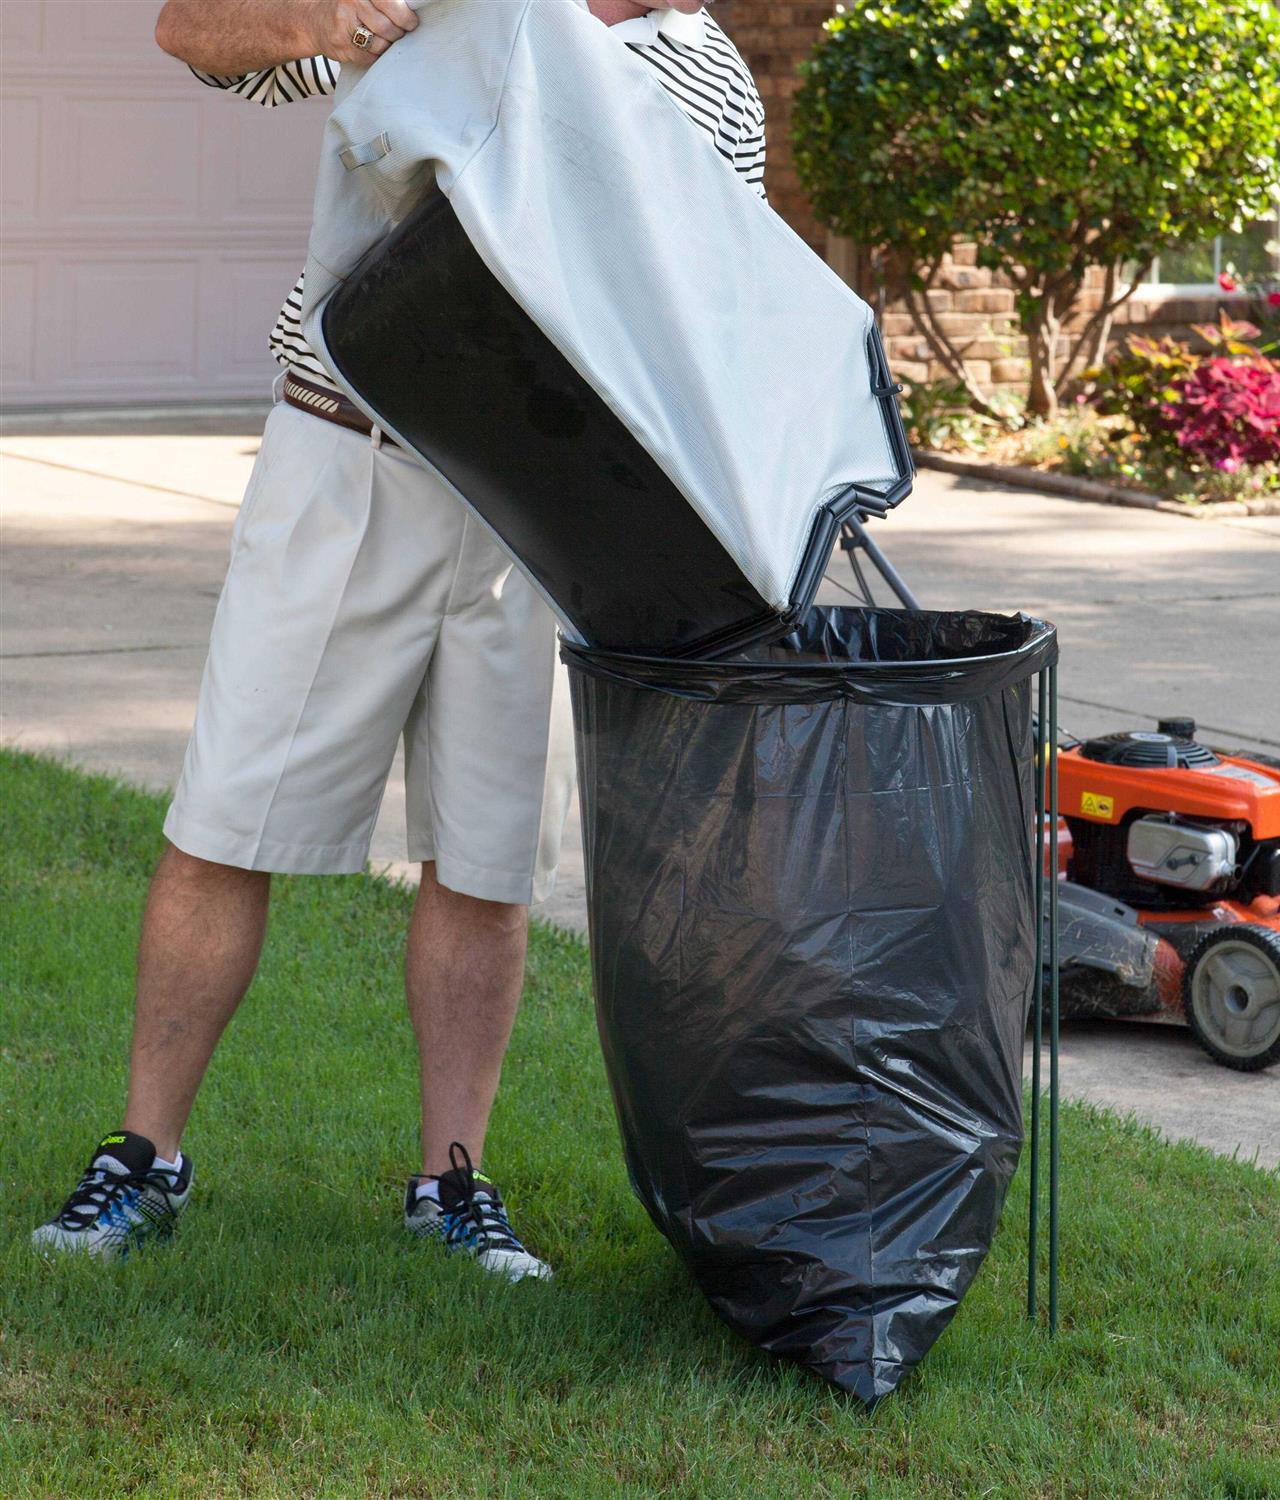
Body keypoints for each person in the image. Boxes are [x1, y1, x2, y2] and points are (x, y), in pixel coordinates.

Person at [31, 0, 767, 1279]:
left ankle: (451, 1185)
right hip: (345, 453)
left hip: (537, 503)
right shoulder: (444, 7)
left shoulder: (707, 75)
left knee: (487, 861)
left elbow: (708, 310)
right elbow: (189, 33)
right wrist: (324, 16)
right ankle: (142, 1157)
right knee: (225, 822)